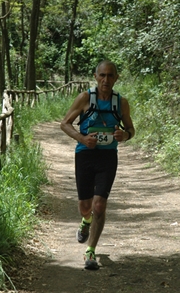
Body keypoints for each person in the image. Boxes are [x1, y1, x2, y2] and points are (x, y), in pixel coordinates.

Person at [60, 60, 135, 270]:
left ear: (116, 78)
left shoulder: (121, 103)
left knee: (99, 204)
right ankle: (85, 222)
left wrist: (125, 135)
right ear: (95, 77)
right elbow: (64, 123)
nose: (106, 80)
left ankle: (90, 251)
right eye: (102, 75)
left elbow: (131, 129)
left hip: (108, 157)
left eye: (110, 75)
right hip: (85, 155)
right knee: (85, 207)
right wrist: (82, 139)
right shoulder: (85, 98)